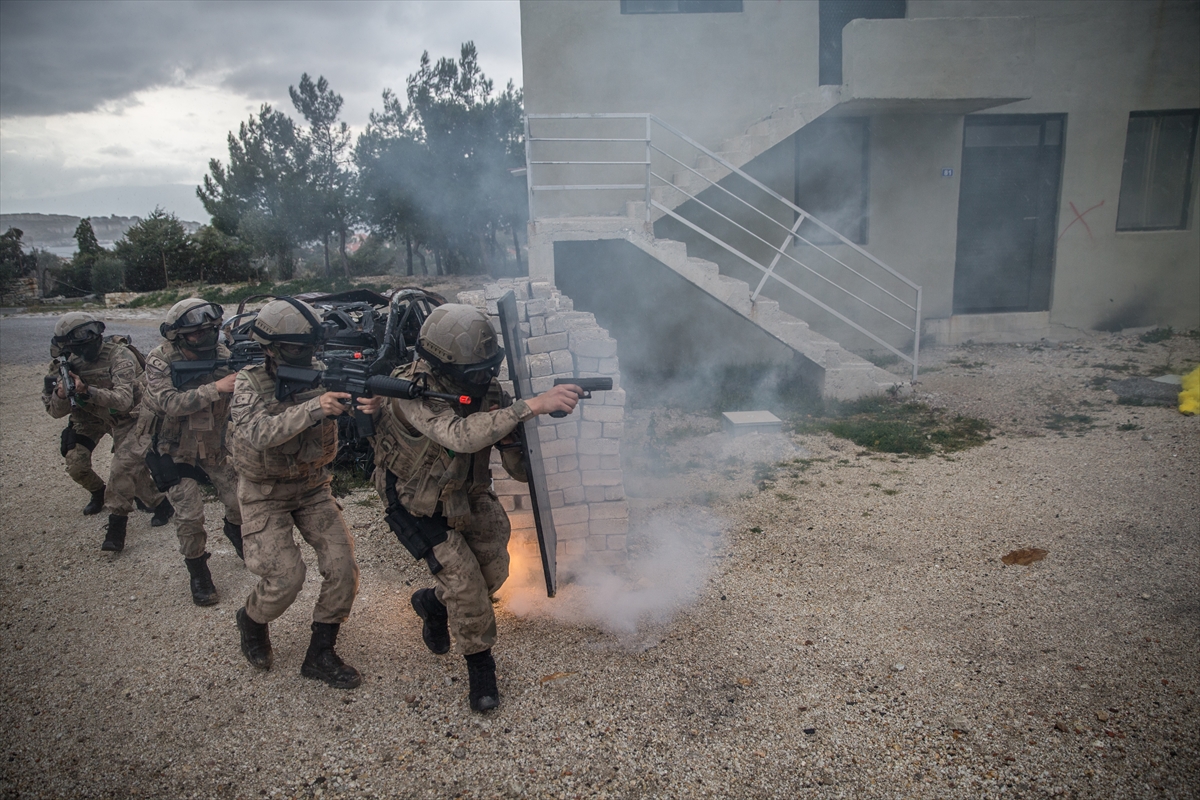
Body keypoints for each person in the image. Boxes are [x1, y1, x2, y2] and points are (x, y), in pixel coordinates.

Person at [358, 303, 580, 712]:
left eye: (488, 368)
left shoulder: (490, 394)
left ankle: (431, 603)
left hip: (467, 491)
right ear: (442, 365)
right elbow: (457, 435)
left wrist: (524, 436)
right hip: (415, 500)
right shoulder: (410, 391)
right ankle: (481, 671)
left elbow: (517, 468)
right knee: (465, 584)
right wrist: (529, 406)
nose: (485, 378)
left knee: (494, 570)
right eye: (474, 372)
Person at [227, 298, 362, 689]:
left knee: (342, 568)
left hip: (311, 487)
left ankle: (320, 653)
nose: (306, 356)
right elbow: (258, 433)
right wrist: (316, 408)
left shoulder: (325, 374)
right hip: (264, 492)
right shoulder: (247, 383)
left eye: (309, 347)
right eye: (295, 348)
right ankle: (251, 620)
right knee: (286, 578)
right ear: (269, 348)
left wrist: (365, 403)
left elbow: (353, 407)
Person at [140, 299, 246, 606]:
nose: (205, 338)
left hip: (213, 443)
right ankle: (199, 572)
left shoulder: (226, 355)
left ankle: (235, 531)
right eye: (195, 334)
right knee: (189, 515)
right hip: (173, 447)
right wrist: (218, 387)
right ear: (177, 336)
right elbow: (169, 403)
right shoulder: (160, 360)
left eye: (210, 330)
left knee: (238, 500)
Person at [41, 311, 173, 550]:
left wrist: (86, 391)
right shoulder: (62, 365)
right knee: (77, 464)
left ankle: (118, 526)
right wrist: (61, 393)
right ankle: (108, 494)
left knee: (124, 467)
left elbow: (123, 400)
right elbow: (53, 411)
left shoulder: (119, 355)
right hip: (89, 417)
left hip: (129, 417)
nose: (91, 341)